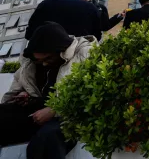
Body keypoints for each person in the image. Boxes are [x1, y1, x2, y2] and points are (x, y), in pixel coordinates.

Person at [0, 22, 96, 159]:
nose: (44, 64)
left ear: (61, 50)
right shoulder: (30, 61)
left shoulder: (85, 53)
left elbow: (91, 95)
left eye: (48, 58)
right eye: (40, 61)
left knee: (46, 140)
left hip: (69, 114)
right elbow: (14, 89)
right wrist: (22, 94)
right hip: (37, 110)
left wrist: (54, 110)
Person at [26, 0, 102, 41]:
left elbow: (31, 29)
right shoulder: (92, 7)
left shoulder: (46, 3)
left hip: (46, 49)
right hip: (76, 50)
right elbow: (97, 35)